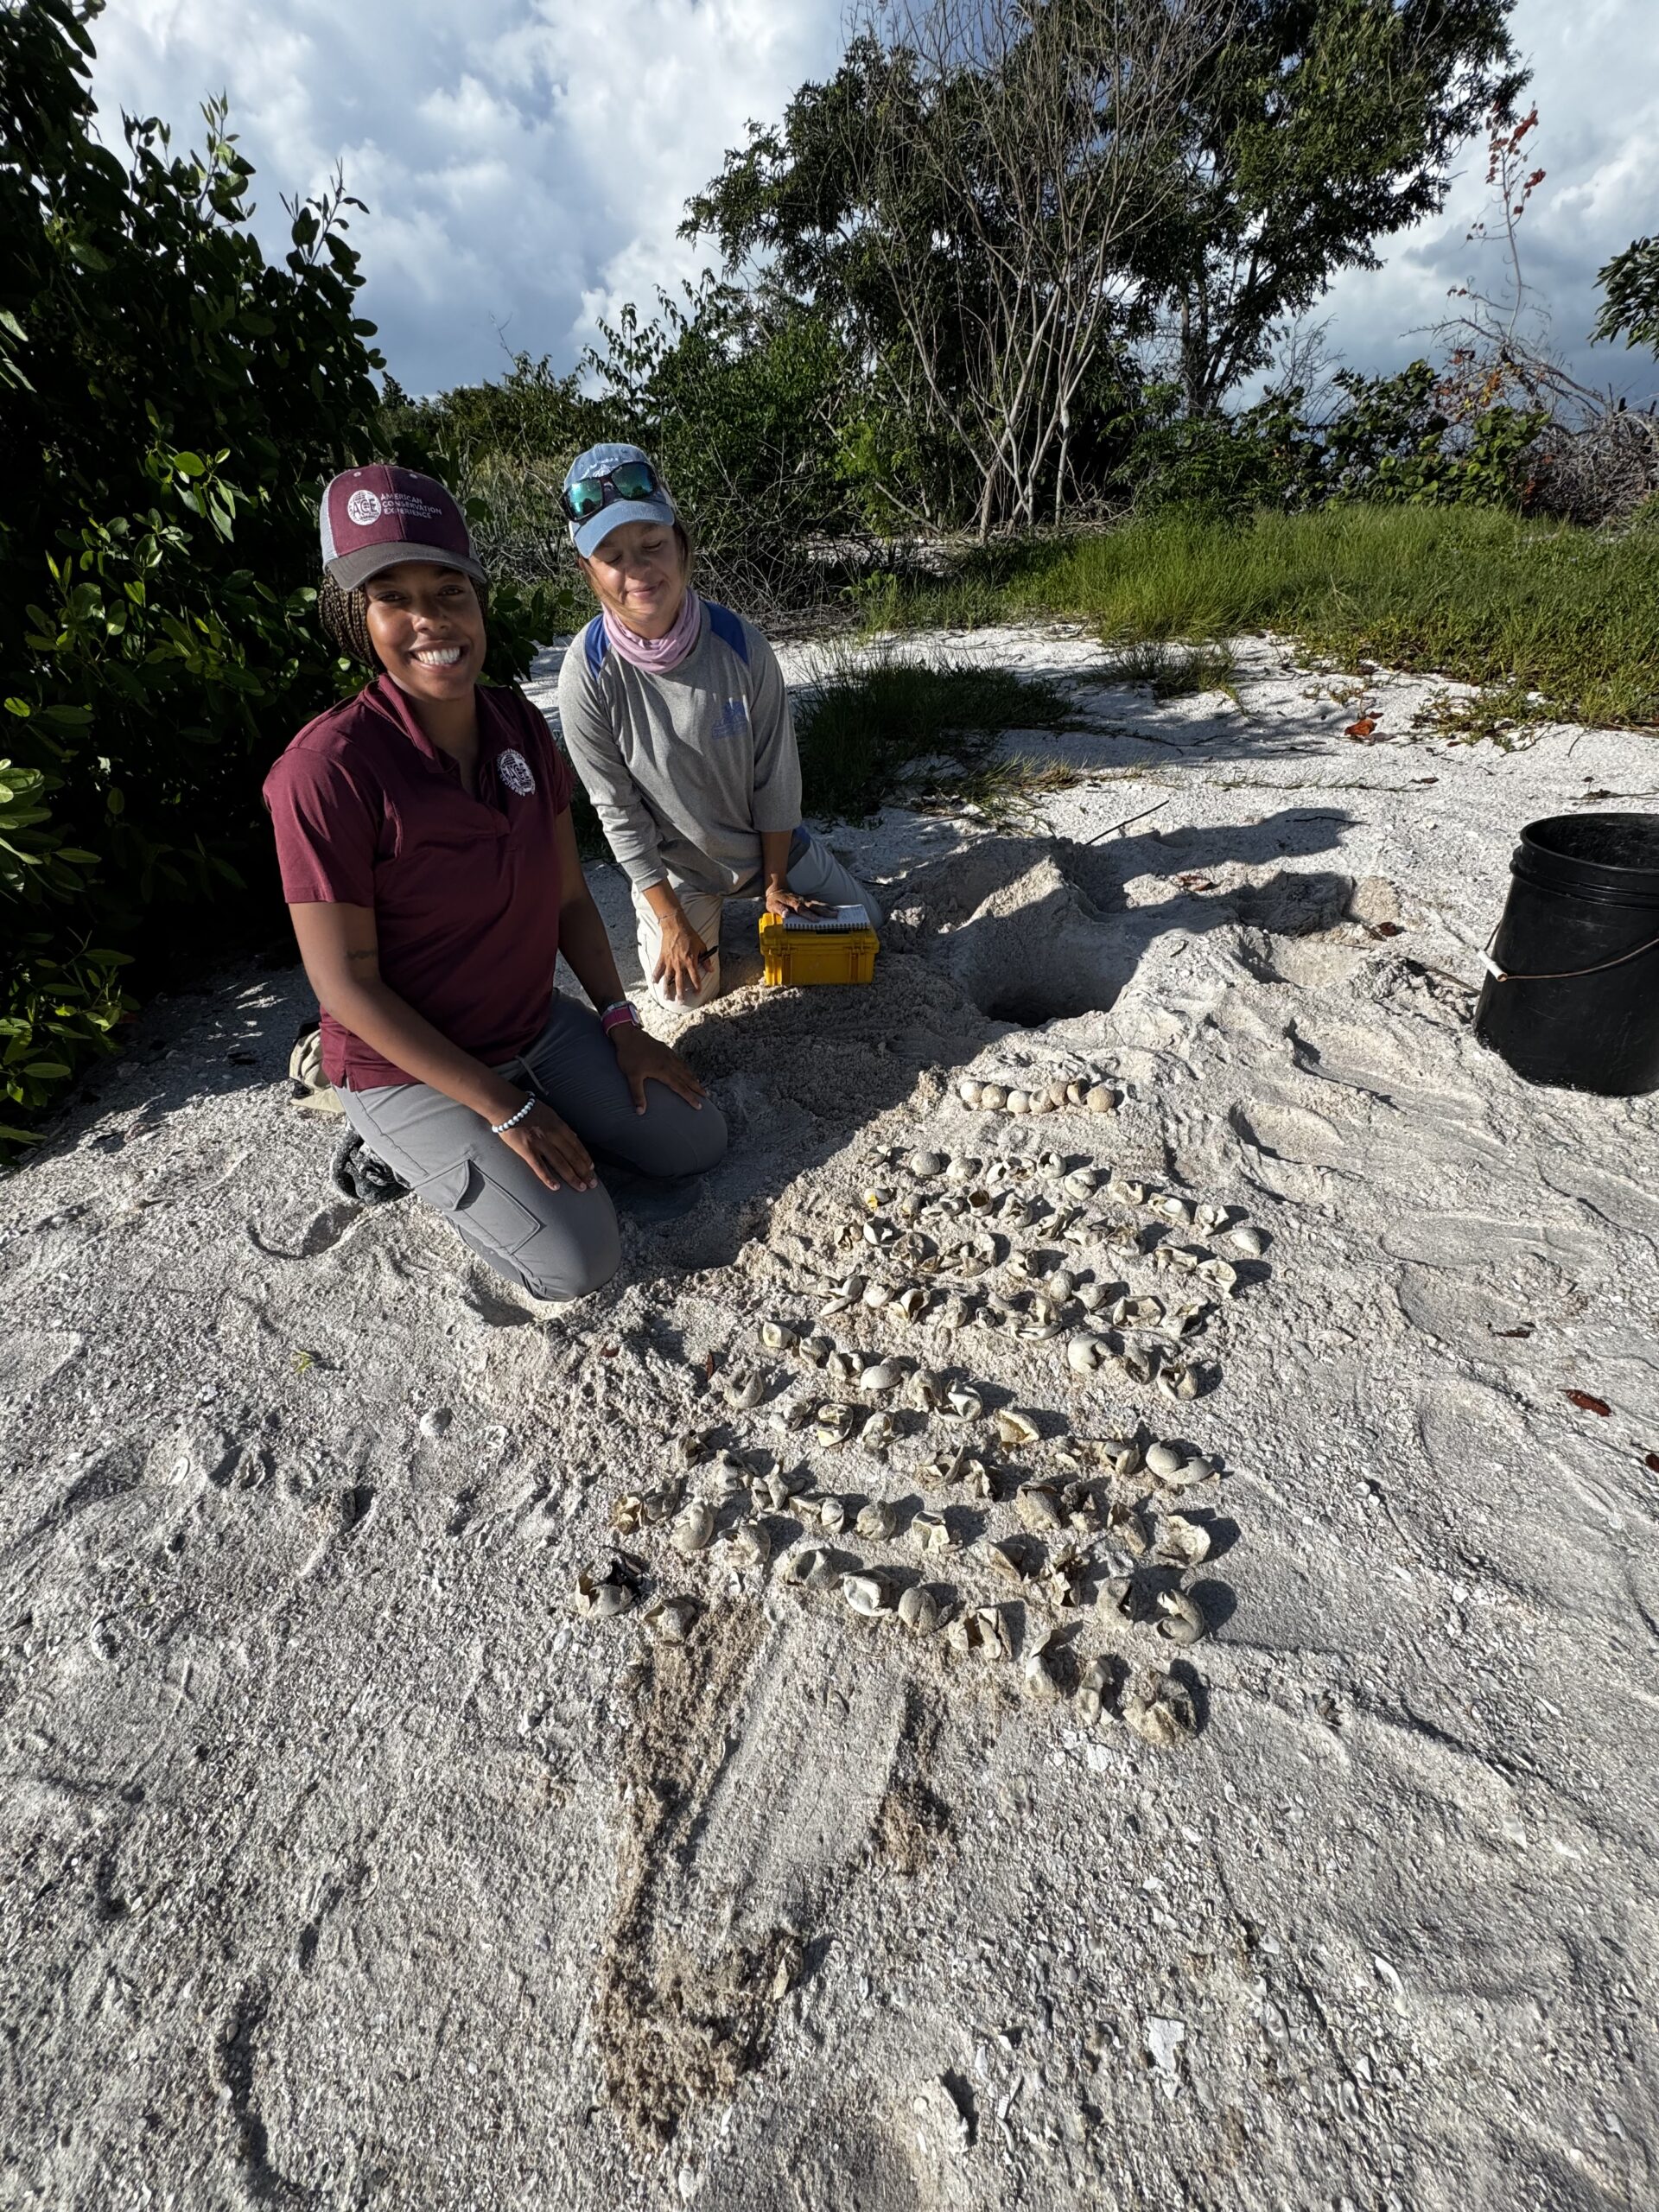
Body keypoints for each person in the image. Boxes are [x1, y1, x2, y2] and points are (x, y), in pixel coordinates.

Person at [262, 463, 726, 1302]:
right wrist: (504, 1108)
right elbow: (346, 982)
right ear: (353, 616)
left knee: (697, 1139)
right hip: (404, 1062)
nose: (428, 621)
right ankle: (375, 1130)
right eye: (392, 597)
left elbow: (568, 899)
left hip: (529, 1024)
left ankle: (516, 1114)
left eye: (448, 590)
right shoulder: (324, 771)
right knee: (579, 1263)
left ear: (479, 599)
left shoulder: (516, 722)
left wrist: (620, 1023)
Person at [556, 443, 880, 1007]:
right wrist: (670, 916)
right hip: (681, 869)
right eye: (612, 556)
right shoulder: (585, 676)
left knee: (871, 929)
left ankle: (793, 875)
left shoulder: (742, 645)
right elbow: (618, 813)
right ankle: (699, 935)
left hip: (767, 851)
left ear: (682, 546)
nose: (638, 570)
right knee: (680, 997)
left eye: (653, 545)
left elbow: (776, 780)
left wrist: (776, 884)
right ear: (588, 573)